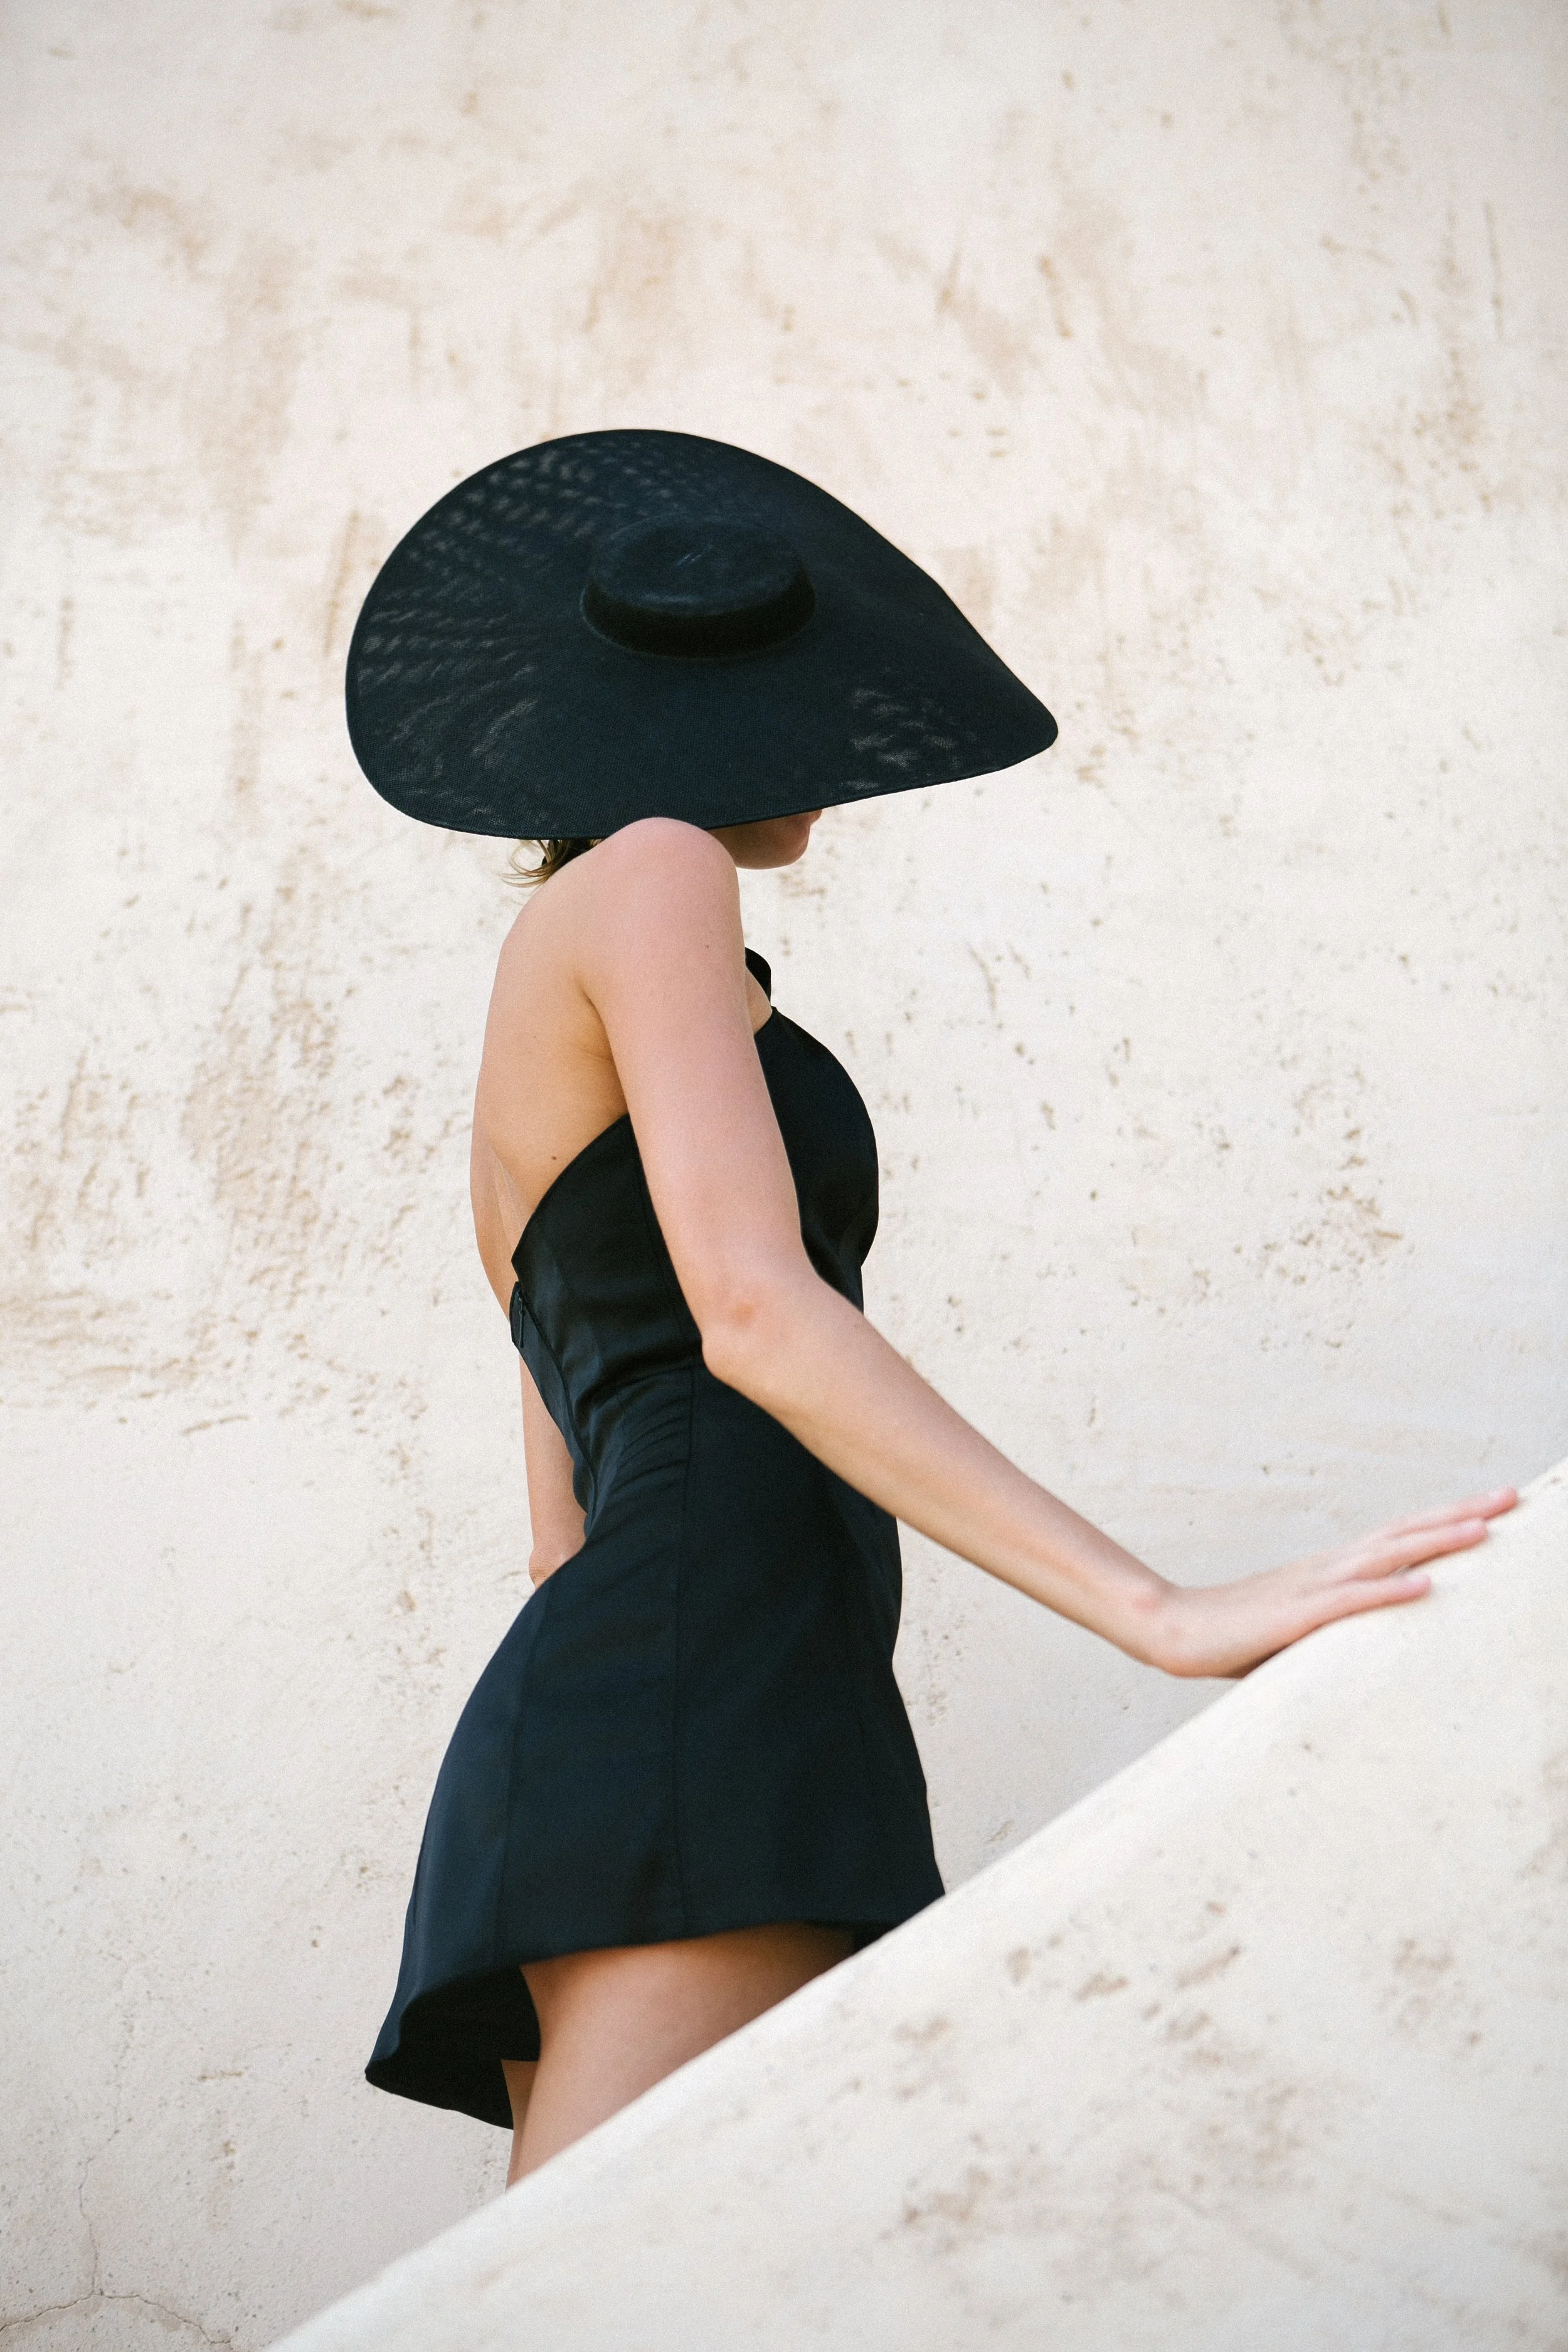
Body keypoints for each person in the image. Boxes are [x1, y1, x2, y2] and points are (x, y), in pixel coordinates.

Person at [346, 430, 1514, 2186]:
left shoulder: (571, 993)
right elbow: (752, 1312)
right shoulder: (657, 869)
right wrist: (1159, 1607)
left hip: (659, 1697)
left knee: (648, 2290)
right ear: (698, 720)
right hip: (703, 1699)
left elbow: (559, 1530)